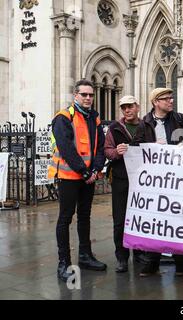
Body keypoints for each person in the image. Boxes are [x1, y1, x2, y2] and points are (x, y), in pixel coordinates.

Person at [48, 79, 107, 282]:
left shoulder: (95, 118)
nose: (89, 98)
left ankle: (85, 256)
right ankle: (63, 263)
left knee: (84, 216)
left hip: (88, 177)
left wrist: (96, 168)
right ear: (76, 96)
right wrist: (84, 172)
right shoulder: (63, 117)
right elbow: (66, 149)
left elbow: (100, 147)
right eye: (84, 95)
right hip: (69, 177)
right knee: (65, 218)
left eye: (91, 95)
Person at [131, 87, 183, 277]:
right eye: (166, 99)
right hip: (154, 180)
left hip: (177, 178)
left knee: (177, 218)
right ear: (156, 102)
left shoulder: (180, 119)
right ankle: (152, 262)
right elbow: (136, 148)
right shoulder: (144, 123)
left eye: (172, 98)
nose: (171, 101)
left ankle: (180, 261)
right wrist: (152, 147)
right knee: (155, 219)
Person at [104, 95, 151, 273]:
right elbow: (107, 150)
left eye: (130, 106)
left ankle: (139, 253)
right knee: (120, 219)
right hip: (121, 179)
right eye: (124, 107)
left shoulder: (146, 126)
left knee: (141, 217)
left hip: (142, 180)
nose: (127, 110)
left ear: (137, 107)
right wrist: (116, 152)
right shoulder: (114, 128)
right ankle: (122, 258)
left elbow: (153, 148)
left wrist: (158, 146)